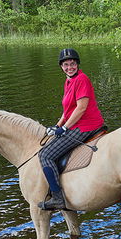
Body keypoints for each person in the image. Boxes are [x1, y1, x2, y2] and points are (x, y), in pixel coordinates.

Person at [38, 48, 106, 210]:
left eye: (73, 64)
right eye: (66, 64)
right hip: (75, 124)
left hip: (86, 125)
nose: (70, 67)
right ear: (62, 67)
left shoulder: (82, 79)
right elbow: (67, 109)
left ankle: (57, 198)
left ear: (77, 64)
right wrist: (58, 125)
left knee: (45, 155)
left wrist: (65, 128)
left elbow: (81, 108)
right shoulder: (69, 81)